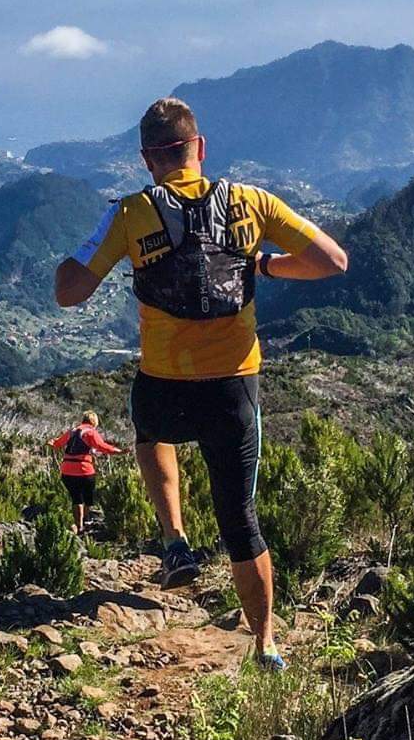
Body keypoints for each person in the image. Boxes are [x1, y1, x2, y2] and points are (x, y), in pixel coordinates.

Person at [52, 96, 348, 670]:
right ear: (200, 149)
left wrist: (81, 251)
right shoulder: (252, 202)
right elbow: (331, 261)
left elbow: (69, 291)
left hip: (164, 379)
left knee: (150, 431)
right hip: (235, 386)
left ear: (147, 160)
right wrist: (263, 264)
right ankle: (264, 644)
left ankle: (174, 541)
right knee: (240, 516)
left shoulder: (131, 214)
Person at [48, 410, 125, 537]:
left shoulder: (72, 431)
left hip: (67, 470)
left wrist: (52, 443)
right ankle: (85, 521)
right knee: (88, 498)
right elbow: (102, 446)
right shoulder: (90, 432)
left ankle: (79, 526)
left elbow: (57, 444)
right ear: (94, 422)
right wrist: (119, 451)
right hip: (84, 469)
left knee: (76, 498)